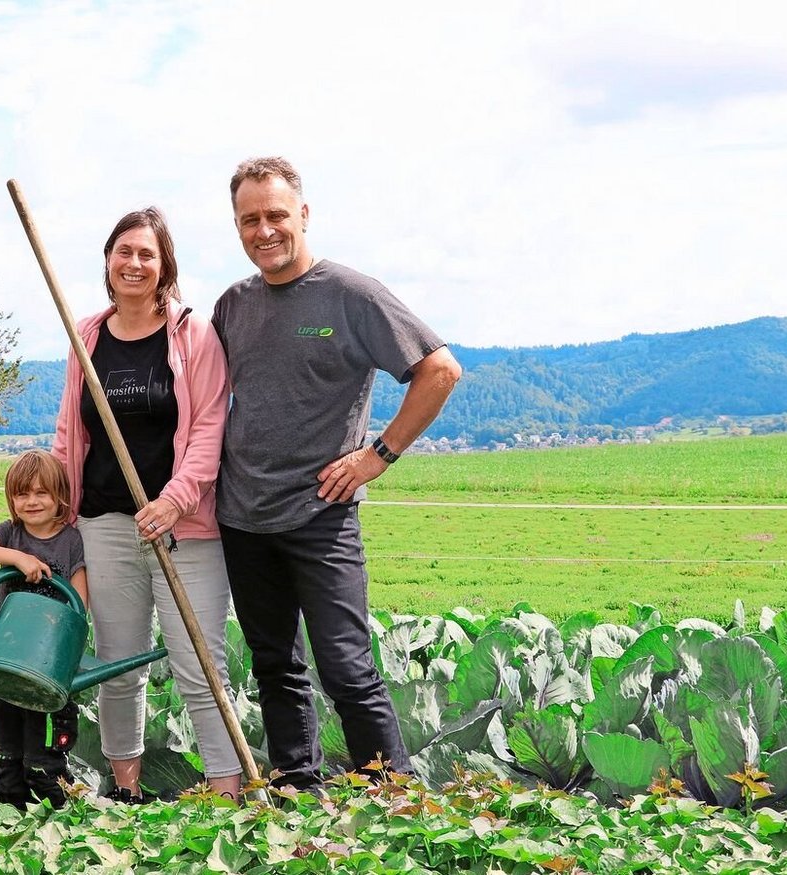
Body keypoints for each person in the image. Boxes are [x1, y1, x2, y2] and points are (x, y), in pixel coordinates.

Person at [211, 157, 464, 793]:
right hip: (241, 513)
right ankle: (300, 785)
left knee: (346, 665)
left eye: (275, 215)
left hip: (322, 512)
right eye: (250, 220)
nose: (264, 230)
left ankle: (393, 794)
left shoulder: (352, 295)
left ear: (303, 214)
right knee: (274, 663)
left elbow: (440, 371)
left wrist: (377, 455)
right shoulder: (232, 306)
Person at [52, 206, 242, 801]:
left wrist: (175, 500)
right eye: (124, 252)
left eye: (147, 255)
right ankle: (126, 787)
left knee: (198, 664)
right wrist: (56, 498)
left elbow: (211, 427)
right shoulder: (85, 335)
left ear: (165, 267)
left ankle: (227, 787)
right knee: (119, 662)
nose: (134, 263)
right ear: (108, 262)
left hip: (184, 525)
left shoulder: (194, 334)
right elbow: (68, 431)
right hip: (105, 521)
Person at [0, 449, 88, 808]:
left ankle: (65, 816)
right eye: (22, 494)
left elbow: (80, 605)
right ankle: (11, 819)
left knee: (42, 761)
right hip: (5, 663)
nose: (31, 502)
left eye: (41, 492)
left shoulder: (72, 540)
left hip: (48, 669)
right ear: (12, 499)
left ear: (59, 496)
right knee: (5, 756)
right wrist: (17, 558)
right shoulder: (9, 534)